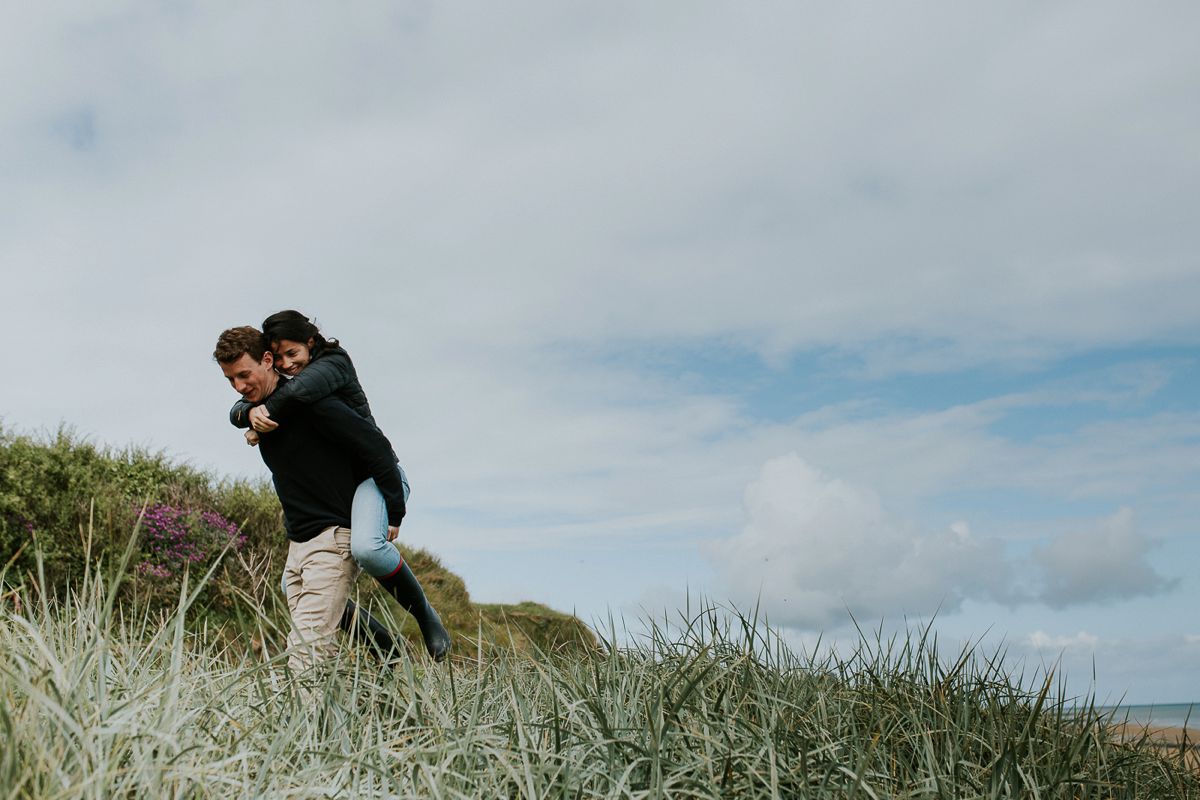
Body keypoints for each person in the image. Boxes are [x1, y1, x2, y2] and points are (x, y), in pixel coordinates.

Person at [213, 326, 450, 669]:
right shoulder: (256, 409)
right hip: (304, 538)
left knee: (310, 649)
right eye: (230, 380)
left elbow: (378, 450)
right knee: (290, 587)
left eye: (244, 375)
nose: (238, 386)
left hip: (348, 518)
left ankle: (424, 617)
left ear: (268, 361)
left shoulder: (313, 402)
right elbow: (237, 412)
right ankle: (385, 646)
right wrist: (246, 413)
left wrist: (396, 512)